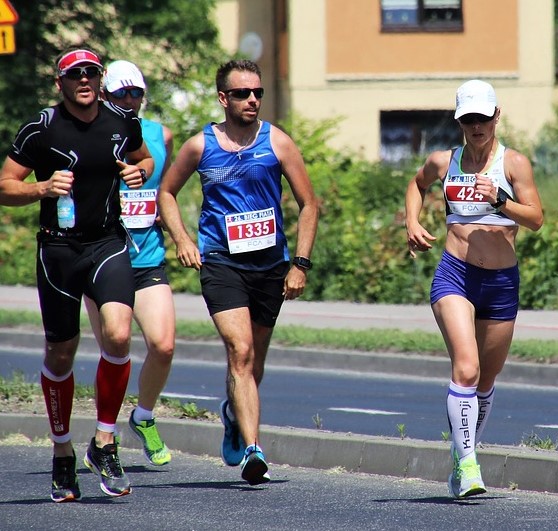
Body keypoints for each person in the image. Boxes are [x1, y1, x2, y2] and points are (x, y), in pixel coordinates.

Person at [0, 47, 154, 502]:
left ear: (101, 78)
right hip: (59, 249)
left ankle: (104, 441)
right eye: (75, 74)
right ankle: (62, 451)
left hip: (107, 242)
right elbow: (5, 185)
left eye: (91, 73)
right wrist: (42, 188)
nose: (84, 79)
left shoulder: (120, 119)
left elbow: (143, 160)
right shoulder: (42, 128)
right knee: (62, 354)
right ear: (60, 82)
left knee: (119, 335)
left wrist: (136, 172)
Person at [157, 59, 319, 486]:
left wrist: (299, 264)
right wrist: (183, 240)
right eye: (244, 94)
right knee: (240, 351)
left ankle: (233, 413)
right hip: (222, 263)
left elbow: (309, 205)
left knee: (254, 362)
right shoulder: (199, 146)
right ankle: (253, 450)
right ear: (223, 98)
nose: (253, 100)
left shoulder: (277, 142)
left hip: (269, 266)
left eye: (258, 93)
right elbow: (166, 193)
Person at [404, 79, 543, 499]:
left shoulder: (513, 164)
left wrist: (500, 200)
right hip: (455, 274)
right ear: (459, 120)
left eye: (483, 117)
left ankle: (462, 451)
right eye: (469, 119)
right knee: (466, 368)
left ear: (496, 116)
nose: (476, 126)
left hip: (501, 282)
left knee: (486, 378)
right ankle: (467, 465)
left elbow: (536, 218)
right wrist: (412, 221)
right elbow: (416, 184)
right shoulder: (445, 161)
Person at [83, 60, 175, 467]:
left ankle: (144, 416)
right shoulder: (90, 132)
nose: (131, 101)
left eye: (137, 93)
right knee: (114, 353)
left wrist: (160, 211)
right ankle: (106, 437)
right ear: (105, 95)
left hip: (147, 254)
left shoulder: (160, 135)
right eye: (122, 94)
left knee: (164, 345)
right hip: (102, 256)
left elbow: (162, 185)